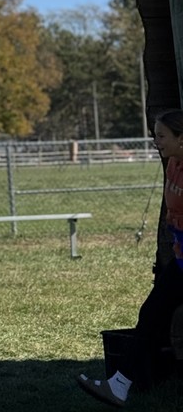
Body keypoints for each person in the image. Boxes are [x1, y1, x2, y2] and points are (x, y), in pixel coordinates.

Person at [77, 108, 183, 407]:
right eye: (154, 135)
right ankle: (119, 386)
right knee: (151, 315)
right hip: (180, 260)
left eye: (161, 136)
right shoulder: (173, 163)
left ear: (181, 137)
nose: (156, 141)